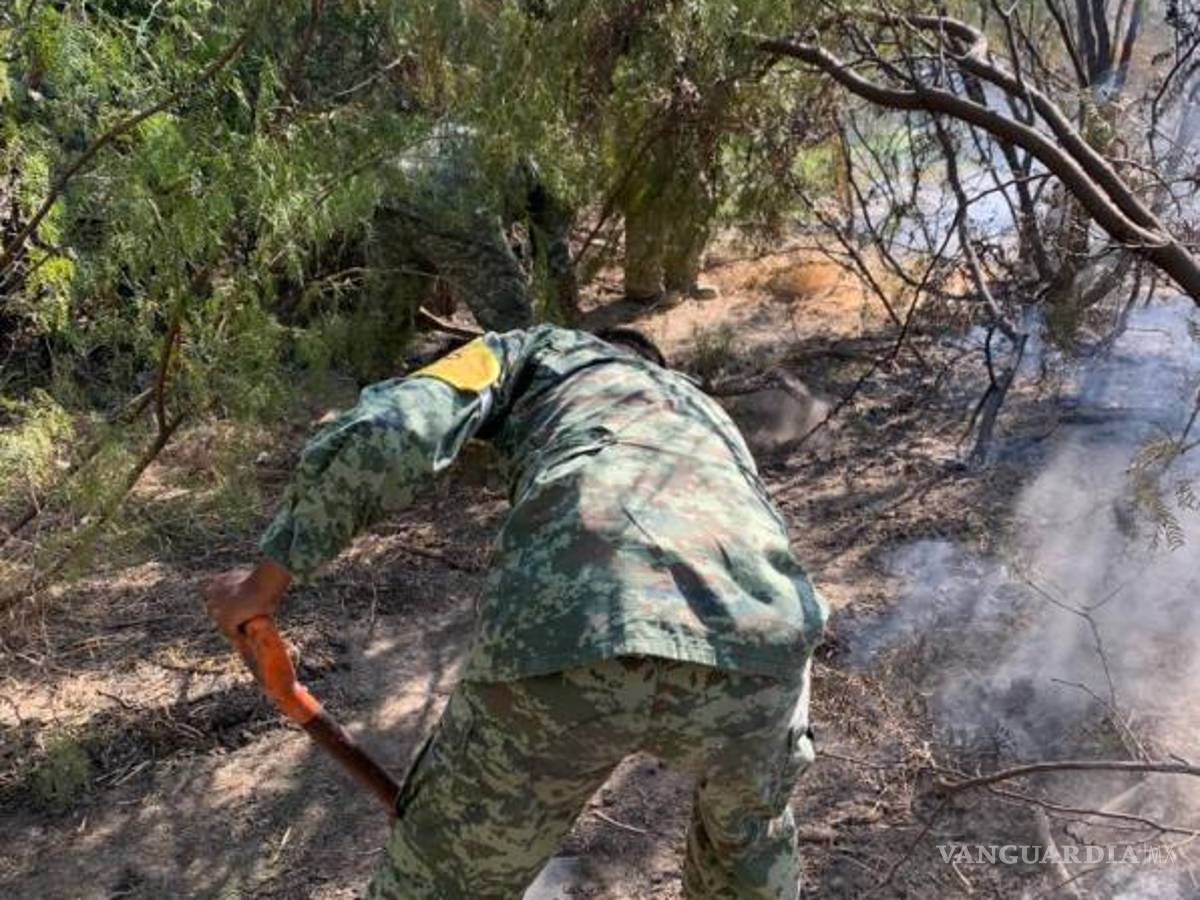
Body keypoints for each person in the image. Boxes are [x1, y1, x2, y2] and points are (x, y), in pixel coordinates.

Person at [203, 325, 827, 899]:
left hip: (574, 626)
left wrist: (266, 579)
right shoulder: (704, 413)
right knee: (749, 850)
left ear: (595, 345)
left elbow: (399, 427)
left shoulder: (543, 351)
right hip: (762, 645)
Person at [369, 127, 579, 332]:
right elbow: (556, 254)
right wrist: (570, 321)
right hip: (453, 209)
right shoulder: (547, 175)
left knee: (387, 316)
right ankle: (521, 362)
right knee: (512, 317)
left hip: (390, 201)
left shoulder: (479, 131)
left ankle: (367, 363)